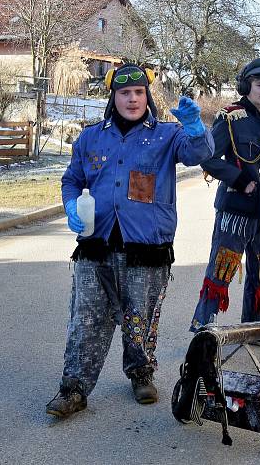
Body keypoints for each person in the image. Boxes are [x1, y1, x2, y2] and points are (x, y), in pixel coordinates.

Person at [46, 64, 214, 419]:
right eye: (125, 93)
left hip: (147, 248)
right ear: (114, 97)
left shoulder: (168, 135)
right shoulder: (91, 137)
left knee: (141, 319)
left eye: (139, 92)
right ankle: (73, 389)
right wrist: (71, 204)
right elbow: (71, 179)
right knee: (86, 320)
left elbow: (199, 154)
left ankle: (141, 373)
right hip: (96, 246)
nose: (132, 99)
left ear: (147, 96)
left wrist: (196, 128)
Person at [189, 57, 260, 348]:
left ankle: (256, 328)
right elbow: (207, 157)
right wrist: (240, 180)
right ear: (246, 86)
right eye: (259, 84)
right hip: (236, 208)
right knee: (222, 267)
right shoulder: (230, 117)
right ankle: (203, 328)